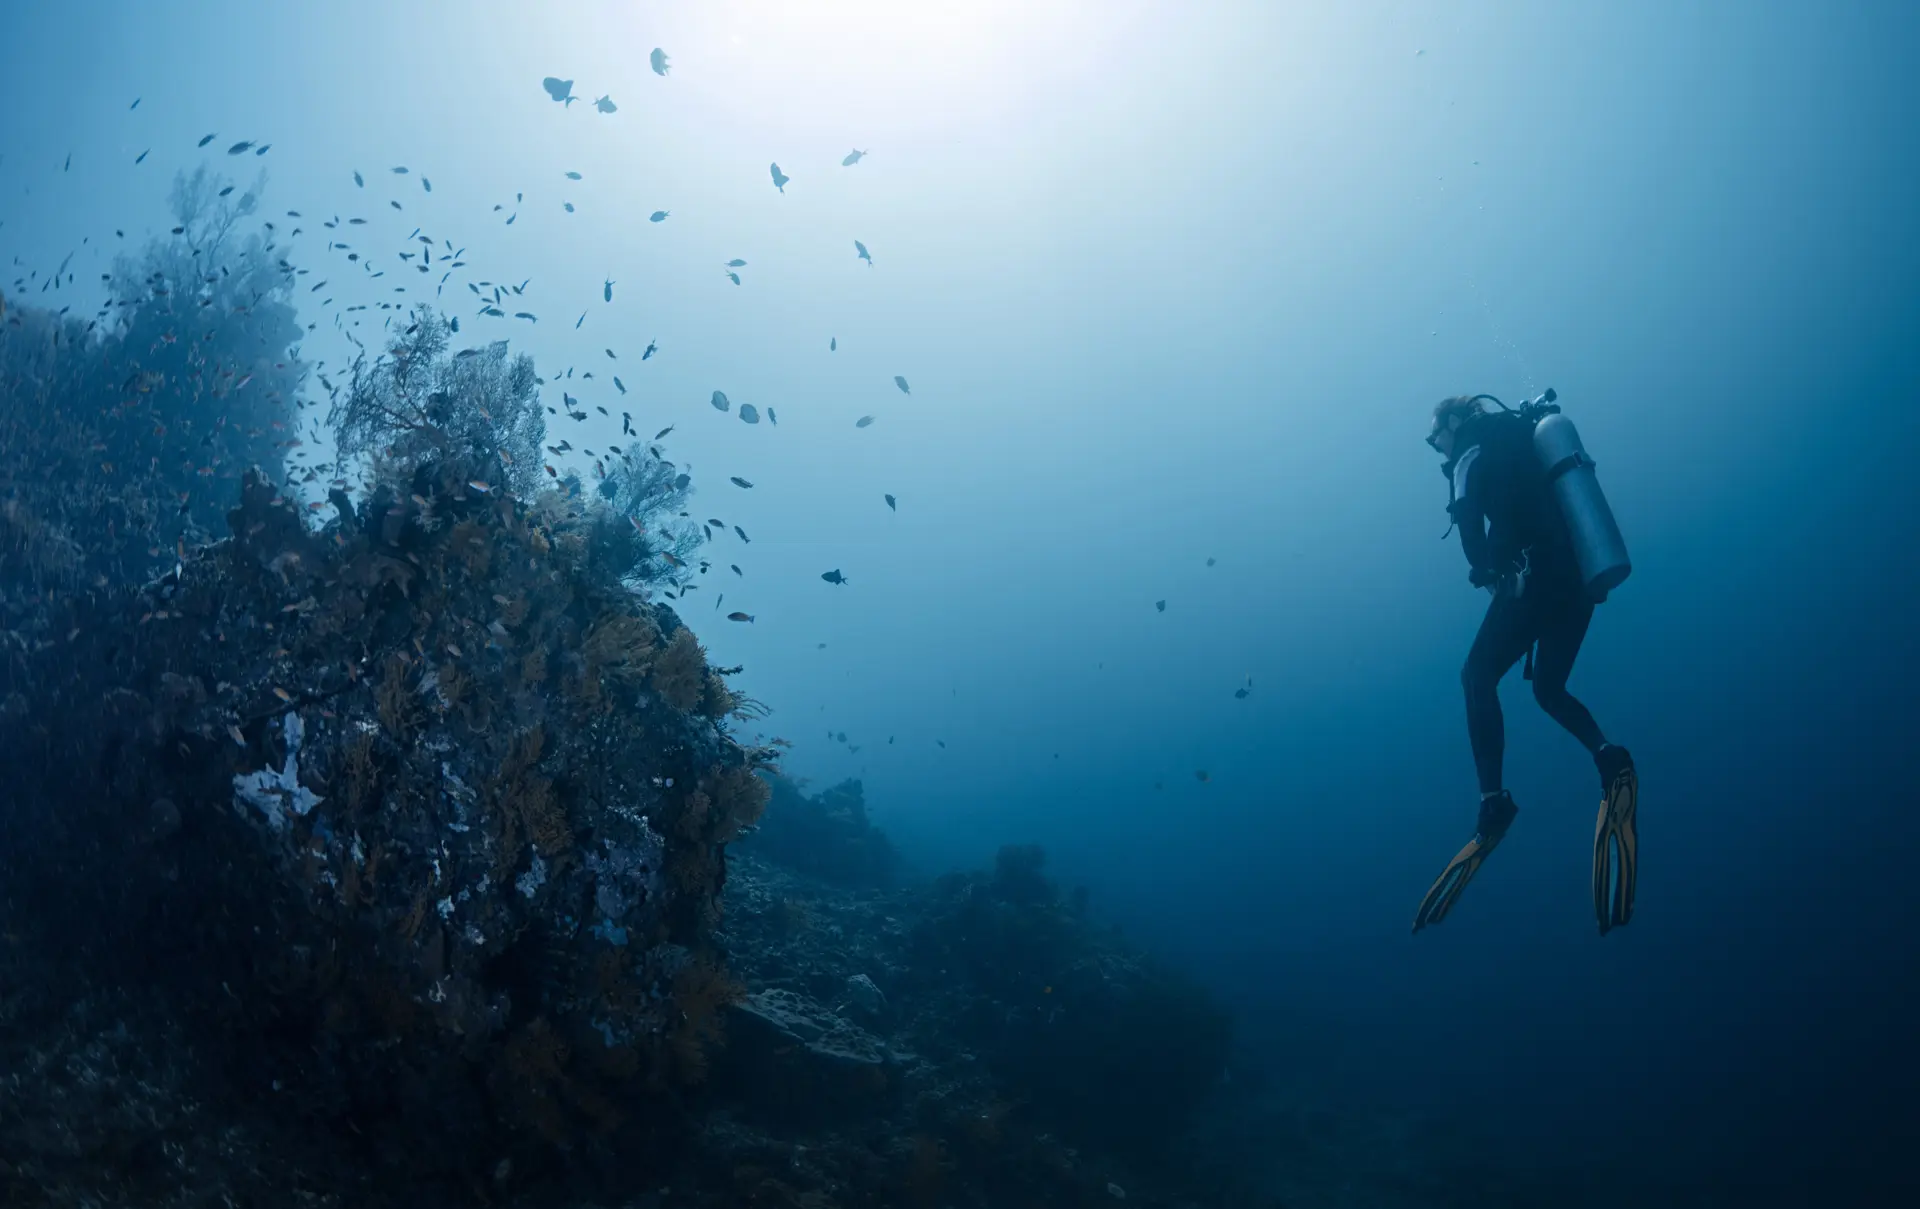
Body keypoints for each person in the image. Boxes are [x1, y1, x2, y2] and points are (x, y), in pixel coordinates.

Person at [1412, 394, 1639, 935]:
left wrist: (1484, 570)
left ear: (1453, 422)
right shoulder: (1526, 433)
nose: (1434, 446)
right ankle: (1612, 761)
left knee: (1476, 677)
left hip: (1534, 579)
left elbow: (1469, 523)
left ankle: (1494, 803)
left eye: (1433, 436)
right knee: (1549, 689)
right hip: (1579, 575)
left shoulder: (1469, 452)